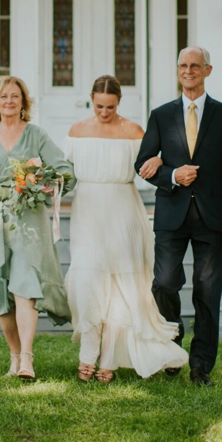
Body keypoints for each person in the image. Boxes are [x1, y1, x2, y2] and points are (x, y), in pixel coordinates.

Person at [135, 47, 222, 387]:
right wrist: (170, 174)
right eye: (183, 66)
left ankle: (201, 366)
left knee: (207, 291)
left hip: (213, 217)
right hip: (172, 214)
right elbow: (142, 164)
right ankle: (172, 343)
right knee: (165, 283)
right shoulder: (161, 115)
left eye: (195, 66)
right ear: (177, 71)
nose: (188, 71)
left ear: (207, 70)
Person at [64, 75, 187, 383]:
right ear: (91, 99)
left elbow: (150, 166)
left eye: (110, 107)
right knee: (88, 279)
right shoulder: (77, 130)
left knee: (123, 286)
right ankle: (87, 354)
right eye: (99, 106)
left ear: (119, 102)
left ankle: (109, 359)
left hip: (123, 210)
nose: (104, 112)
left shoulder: (133, 130)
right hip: (88, 212)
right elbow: (64, 173)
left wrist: (159, 162)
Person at [0, 76, 74, 381]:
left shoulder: (36, 135)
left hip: (28, 221)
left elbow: (64, 171)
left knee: (25, 286)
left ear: (24, 102)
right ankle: (13, 354)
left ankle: (27, 359)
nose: (9, 101)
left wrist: (43, 184)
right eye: (3, 96)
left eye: (15, 96)